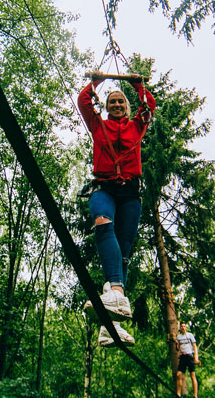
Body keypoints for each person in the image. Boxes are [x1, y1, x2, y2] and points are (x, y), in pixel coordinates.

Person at [77, 71, 156, 347]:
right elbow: (84, 101)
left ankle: (113, 325)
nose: (117, 105)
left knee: (123, 252)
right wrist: (97, 81)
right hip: (105, 188)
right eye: (112, 102)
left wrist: (137, 86)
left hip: (130, 193)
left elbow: (150, 105)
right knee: (101, 221)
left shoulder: (138, 125)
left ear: (128, 106)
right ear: (107, 107)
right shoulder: (98, 125)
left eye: (121, 101)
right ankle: (117, 296)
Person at [176, 321, 200, 398]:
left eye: (184, 326)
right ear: (180, 328)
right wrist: (178, 352)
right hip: (183, 357)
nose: (183, 327)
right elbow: (178, 347)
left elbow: (194, 346)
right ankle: (178, 394)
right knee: (178, 374)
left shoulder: (190, 335)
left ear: (186, 327)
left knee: (192, 375)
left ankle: (195, 396)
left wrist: (196, 357)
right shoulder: (178, 337)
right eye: (181, 326)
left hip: (190, 356)